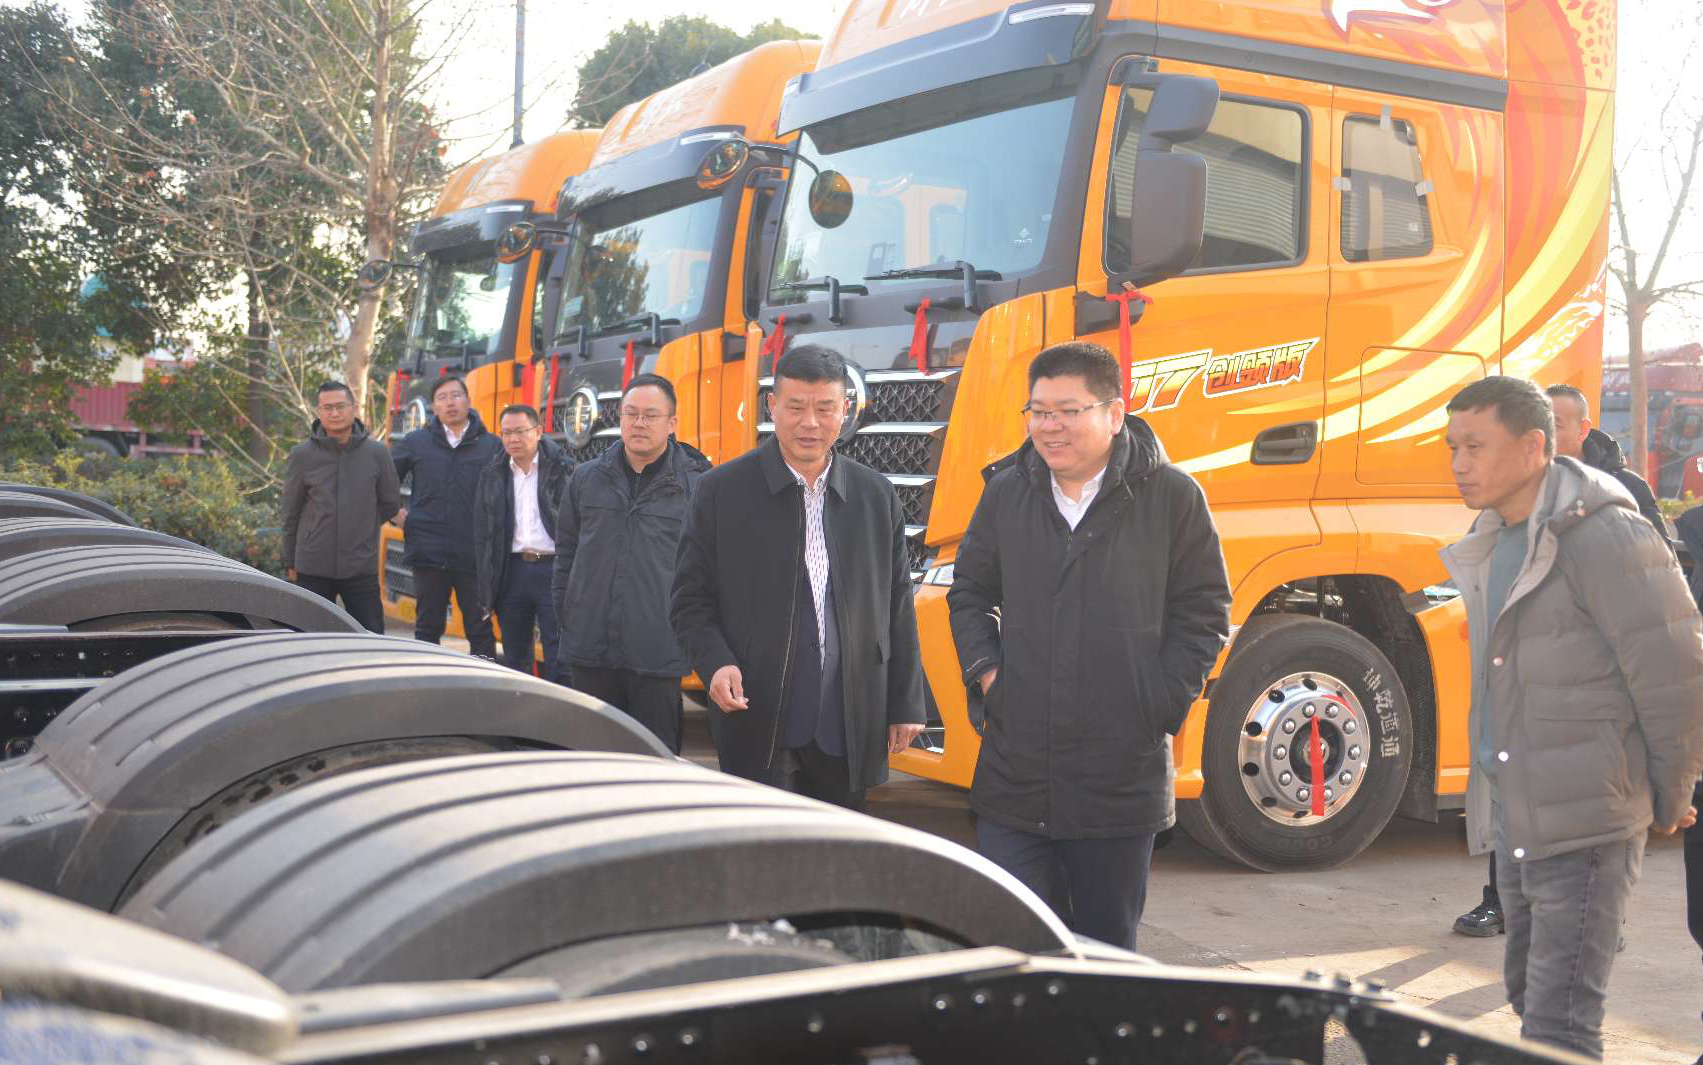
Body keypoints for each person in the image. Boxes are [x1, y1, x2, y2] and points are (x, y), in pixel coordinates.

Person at [1440, 375, 1703, 1061]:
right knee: (1532, 1000)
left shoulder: (1604, 534)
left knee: (1559, 1026)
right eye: (1452, 447)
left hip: (1587, 822)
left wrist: (1671, 794)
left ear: (1534, 447)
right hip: (1519, 814)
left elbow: (1676, 673)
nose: (1459, 463)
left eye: (1475, 446)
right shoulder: (1494, 536)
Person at [946, 341, 1231, 951]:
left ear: (1115, 413)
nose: (1050, 427)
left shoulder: (1172, 497)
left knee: (1105, 951)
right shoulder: (1006, 492)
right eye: (1039, 411)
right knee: (1013, 943)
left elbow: (1205, 613)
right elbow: (969, 591)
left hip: (1118, 773)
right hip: (1016, 768)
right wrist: (990, 676)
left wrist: (1157, 703)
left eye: (1068, 411)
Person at [1453, 381, 1674, 938]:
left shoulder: (1621, 492)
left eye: (1557, 422)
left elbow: (1654, 584)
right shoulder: (1508, 493)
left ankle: (1600, 917)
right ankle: (1501, 900)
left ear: (1582, 429)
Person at [671, 345, 926, 808]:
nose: (810, 423)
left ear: (845, 410)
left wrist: (906, 702)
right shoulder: (721, 492)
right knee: (763, 844)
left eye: (825, 408)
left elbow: (897, 602)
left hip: (849, 716)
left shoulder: (875, 495)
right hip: (757, 710)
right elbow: (690, 599)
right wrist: (715, 663)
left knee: (839, 845)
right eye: (796, 407)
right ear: (772, 406)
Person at [553, 374, 710, 752]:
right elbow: (566, 557)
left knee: (654, 762)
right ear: (620, 418)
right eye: (631, 413)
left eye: (651, 415)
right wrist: (569, 617)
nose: (639, 423)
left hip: (656, 651)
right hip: (590, 650)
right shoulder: (586, 479)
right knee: (591, 759)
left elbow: (707, 572)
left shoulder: (697, 487)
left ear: (672, 423)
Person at [391, 375, 501, 658]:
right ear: (434, 407)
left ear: (468, 401)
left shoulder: (491, 446)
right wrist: (393, 512)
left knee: (480, 628)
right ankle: (426, 678)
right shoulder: (416, 442)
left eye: (456, 395)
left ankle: (485, 681)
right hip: (428, 551)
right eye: (442, 398)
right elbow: (382, 477)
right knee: (427, 627)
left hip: (474, 554)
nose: (450, 403)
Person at [280, 381, 401, 633]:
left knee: (370, 636)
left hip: (360, 566)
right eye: (327, 408)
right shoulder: (302, 455)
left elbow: (390, 504)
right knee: (308, 637)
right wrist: (290, 560)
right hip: (312, 565)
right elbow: (290, 512)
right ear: (318, 412)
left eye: (340, 406)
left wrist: (360, 526)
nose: (334, 413)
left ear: (354, 408)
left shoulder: (377, 453)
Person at [474, 404, 573, 683]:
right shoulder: (493, 473)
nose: (512, 439)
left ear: (538, 431)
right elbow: (482, 532)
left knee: (559, 653)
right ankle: (522, 707)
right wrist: (486, 582)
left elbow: (577, 524)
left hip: (553, 569)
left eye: (520, 431)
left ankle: (560, 706)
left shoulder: (563, 469)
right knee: (515, 653)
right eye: (506, 433)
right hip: (512, 570)